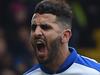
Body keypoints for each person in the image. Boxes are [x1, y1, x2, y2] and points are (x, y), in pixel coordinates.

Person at [24, 0, 100, 75]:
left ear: (65, 36)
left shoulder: (94, 72)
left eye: (45, 27)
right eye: (33, 28)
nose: (36, 33)